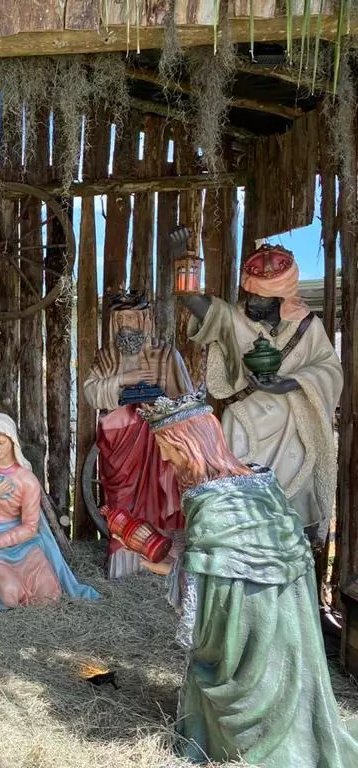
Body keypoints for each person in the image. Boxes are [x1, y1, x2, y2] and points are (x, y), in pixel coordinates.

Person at [138, 389, 358, 767]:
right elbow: (243, 554)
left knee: (233, 686)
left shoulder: (211, 502)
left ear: (190, 445)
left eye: (166, 446)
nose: (162, 456)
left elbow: (217, 586)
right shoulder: (259, 484)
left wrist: (169, 570)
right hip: (290, 624)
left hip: (253, 627)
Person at [181, 239, 342, 543]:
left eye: (260, 297)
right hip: (241, 425)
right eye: (250, 293)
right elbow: (201, 307)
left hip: (291, 431)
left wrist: (290, 383)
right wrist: (182, 263)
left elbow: (330, 370)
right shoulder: (236, 319)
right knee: (238, 507)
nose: (251, 302)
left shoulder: (308, 326)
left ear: (281, 297)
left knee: (290, 513)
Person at [83, 293, 194, 577]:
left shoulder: (166, 354)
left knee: (167, 488)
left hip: (160, 438)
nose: (125, 324)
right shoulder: (107, 356)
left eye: (131, 317)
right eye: (120, 319)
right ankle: (125, 559)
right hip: (121, 441)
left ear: (145, 320)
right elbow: (91, 391)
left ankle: (168, 557)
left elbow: (185, 396)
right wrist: (124, 381)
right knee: (121, 499)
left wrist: (158, 406)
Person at [0, 413, 100, 608]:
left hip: (22, 545)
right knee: (9, 595)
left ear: (12, 441)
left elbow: (30, 527)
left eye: (0, 443)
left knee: (50, 596)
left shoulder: (27, 480)